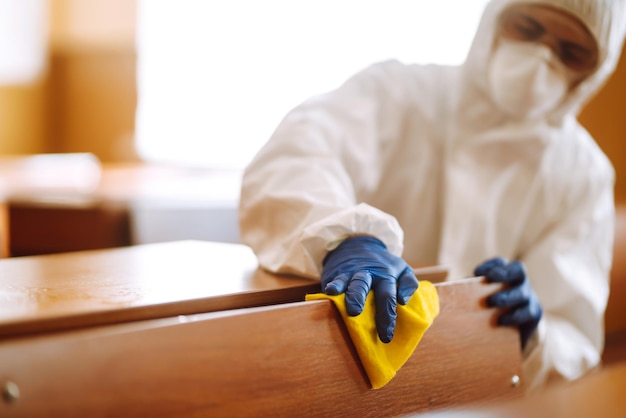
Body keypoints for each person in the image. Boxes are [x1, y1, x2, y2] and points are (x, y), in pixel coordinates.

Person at [238, 0, 626, 391]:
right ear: (495, 19)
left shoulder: (583, 174)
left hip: (481, 396)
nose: (541, 57)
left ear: (593, 73)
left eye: (571, 52)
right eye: (526, 27)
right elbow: (293, 156)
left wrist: (534, 335)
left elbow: (574, 341)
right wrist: (343, 237)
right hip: (341, 372)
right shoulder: (397, 92)